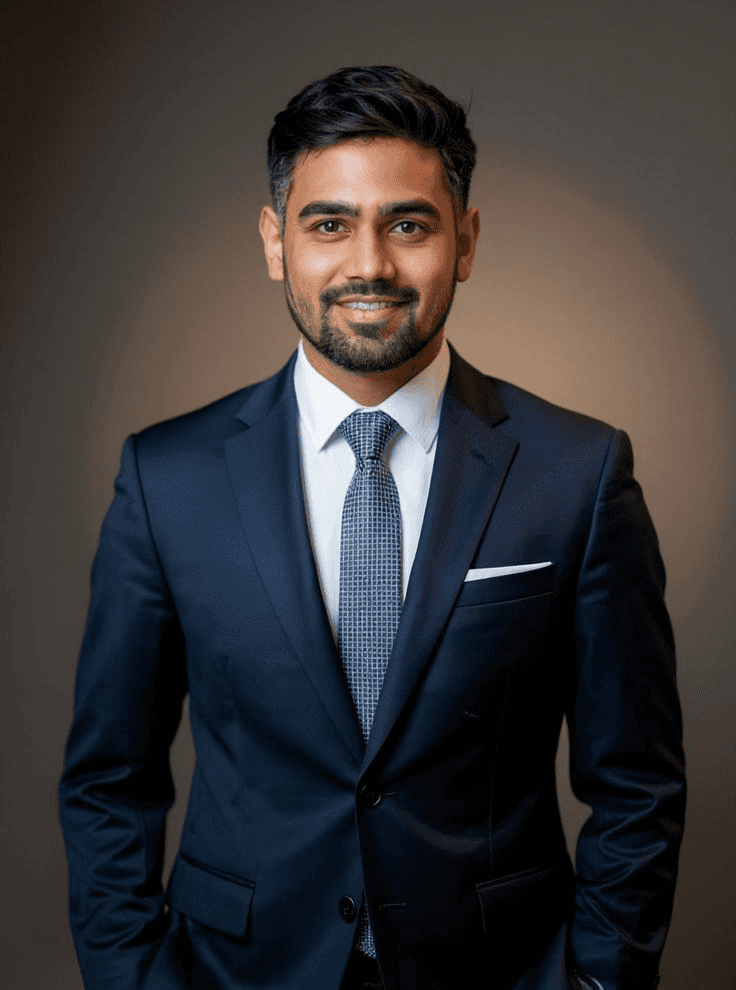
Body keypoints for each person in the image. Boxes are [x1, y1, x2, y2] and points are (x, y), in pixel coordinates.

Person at [59, 66, 686, 990]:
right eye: (329, 224)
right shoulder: (168, 479)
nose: (370, 265)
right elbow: (109, 779)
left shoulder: (579, 474)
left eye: (408, 223)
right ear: (276, 241)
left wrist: (596, 982)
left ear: (465, 240)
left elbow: (637, 784)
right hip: (235, 972)